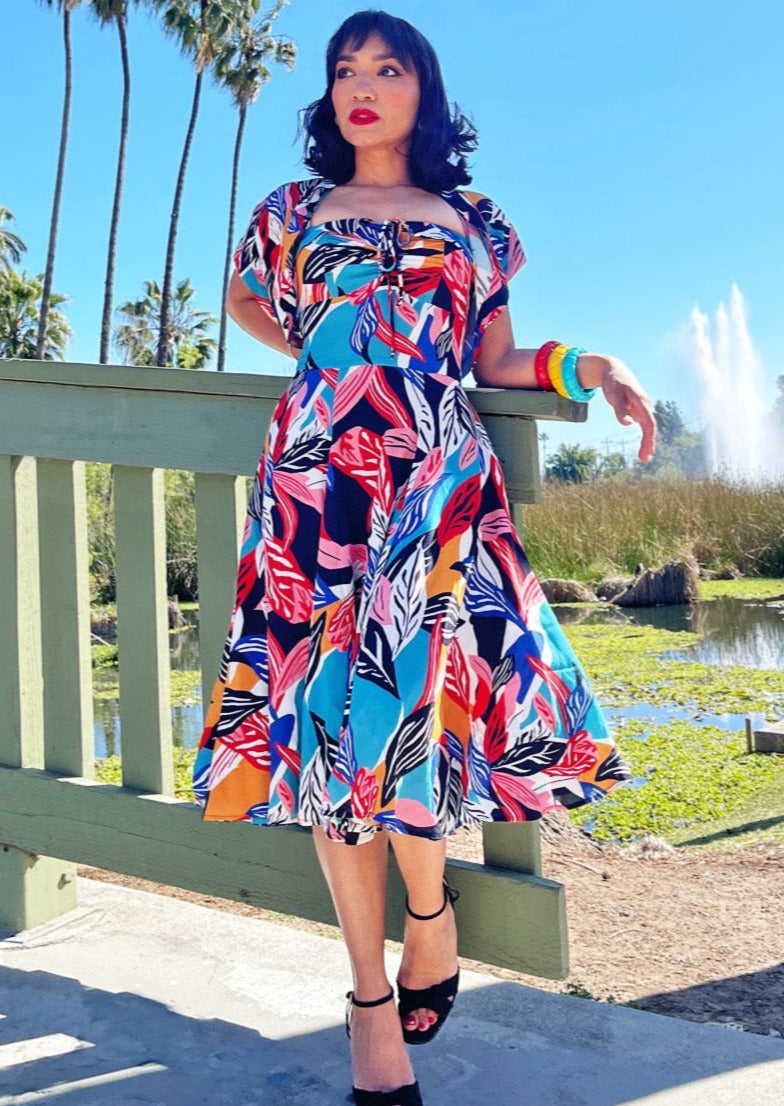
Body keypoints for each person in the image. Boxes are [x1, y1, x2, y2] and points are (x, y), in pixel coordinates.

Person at [192, 10, 656, 1106]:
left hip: (434, 489)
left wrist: (591, 363)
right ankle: (368, 1002)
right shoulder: (291, 210)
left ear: (423, 90)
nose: (361, 86)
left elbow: (494, 352)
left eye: (386, 69)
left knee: (410, 718)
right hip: (318, 484)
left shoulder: (472, 217)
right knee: (325, 742)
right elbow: (243, 300)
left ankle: (433, 922)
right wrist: (328, 349)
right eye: (345, 70)